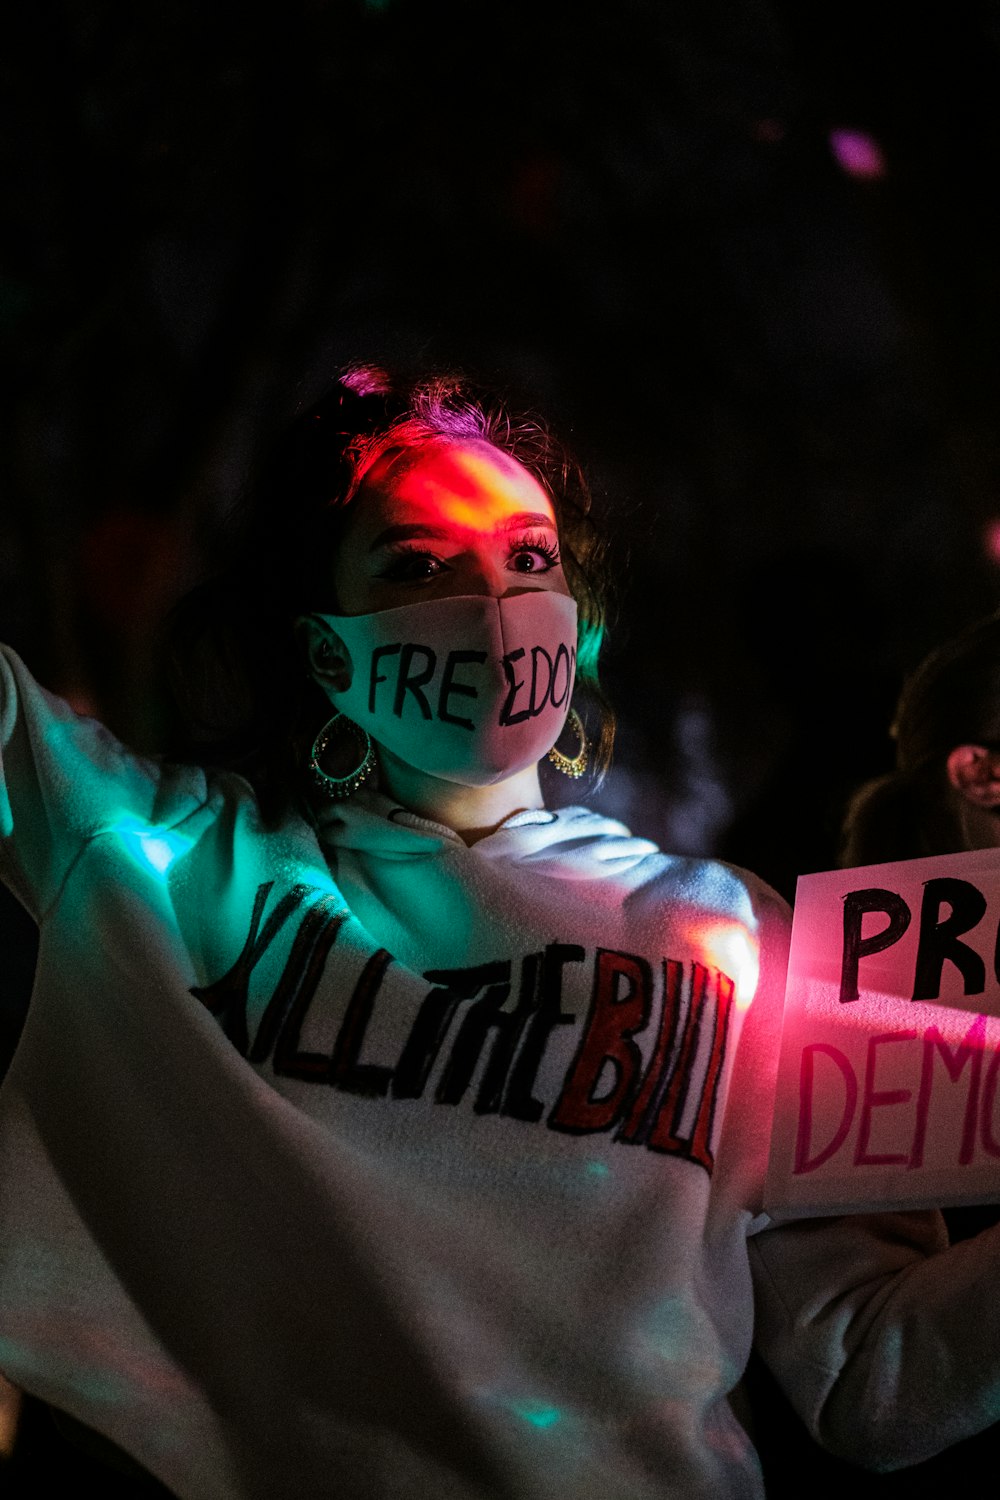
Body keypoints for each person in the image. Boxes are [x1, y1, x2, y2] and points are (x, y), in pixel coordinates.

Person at [2, 361, 1000, 1499]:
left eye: (528, 557)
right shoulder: (167, 858)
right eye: (418, 562)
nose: (490, 604)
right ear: (324, 649)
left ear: (578, 631)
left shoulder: (736, 937)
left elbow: (871, 1368)